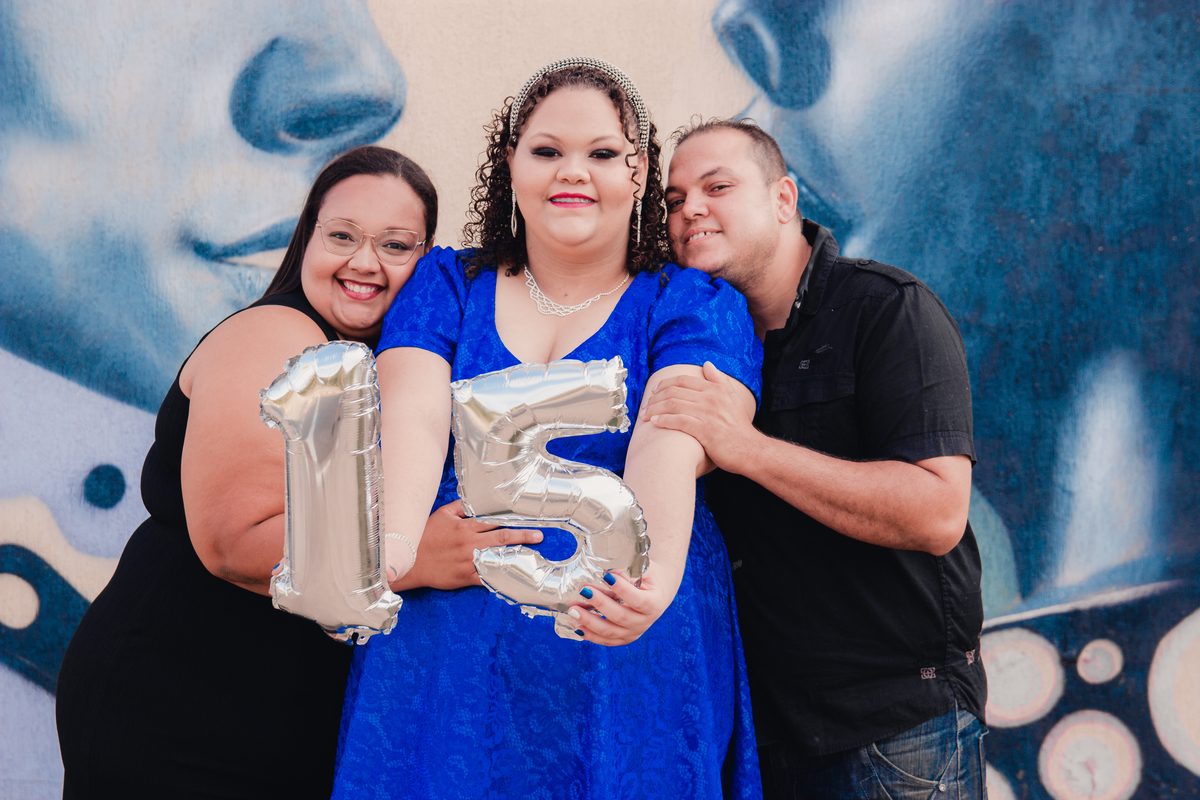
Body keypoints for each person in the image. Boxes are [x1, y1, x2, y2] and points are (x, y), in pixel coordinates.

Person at [333, 59, 763, 799]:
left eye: (602, 153)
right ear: (511, 163)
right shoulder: (449, 283)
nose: (573, 171)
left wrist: (646, 584)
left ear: (638, 172)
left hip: (620, 643)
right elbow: (413, 414)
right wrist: (395, 547)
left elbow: (669, 438)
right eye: (546, 150)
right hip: (450, 649)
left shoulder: (691, 301)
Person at [54, 146, 440, 799]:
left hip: (274, 720)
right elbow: (238, 543)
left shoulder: (390, 366)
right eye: (342, 236)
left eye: (396, 245)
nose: (365, 261)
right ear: (307, 238)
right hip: (177, 709)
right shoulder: (276, 334)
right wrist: (423, 556)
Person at [650, 119, 986, 799]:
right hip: (760, 738)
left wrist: (747, 449)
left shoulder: (886, 310)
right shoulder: (696, 342)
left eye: (717, 187)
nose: (689, 210)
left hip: (892, 732)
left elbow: (937, 512)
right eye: (675, 199)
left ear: (783, 199)